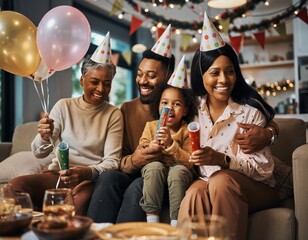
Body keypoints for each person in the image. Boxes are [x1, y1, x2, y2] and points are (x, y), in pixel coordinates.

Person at [87, 26, 279, 224]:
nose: (143, 81)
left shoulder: (190, 108)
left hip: (186, 175)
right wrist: (136, 158)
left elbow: (264, 117)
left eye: (151, 76)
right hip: (157, 173)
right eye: (140, 74)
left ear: (169, 81)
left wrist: (269, 133)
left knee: (146, 184)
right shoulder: (128, 109)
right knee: (113, 178)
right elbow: (119, 159)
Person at [177, 13, 280, 240]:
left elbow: (264, 171)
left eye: (230, 71)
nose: (224, 80)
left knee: (220, 181)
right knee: (195, 191)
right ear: (201, 75)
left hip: (257, 186)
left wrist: (223, 161)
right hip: (207, 183)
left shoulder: (250, 112)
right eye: (215, 73)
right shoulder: (193, 109)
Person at [10, 32, 123, 216]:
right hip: (56, 176)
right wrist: (44, 136)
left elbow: (112, 162)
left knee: (75, 208)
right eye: (94, 81)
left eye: (107, 83)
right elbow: (39, 153)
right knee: (16, 186)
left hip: (88, 181)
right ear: (82, 80)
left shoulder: (113, 114)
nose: (101, 89)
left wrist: (87, 173)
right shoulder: (64, 106)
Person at [139, 60, 197, 226]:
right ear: (158, 105)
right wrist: (151, 146)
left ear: (185, 110)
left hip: (179, 171)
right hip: (156, 171)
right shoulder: (151, 127)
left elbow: (190, 161)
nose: (169, 108)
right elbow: (142, 147)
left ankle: (175, 223)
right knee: (154, 167)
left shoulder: (187, 130)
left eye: (176, 104)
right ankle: (152, 221)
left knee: (178, 171)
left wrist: (171, 144)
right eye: (164, 103)